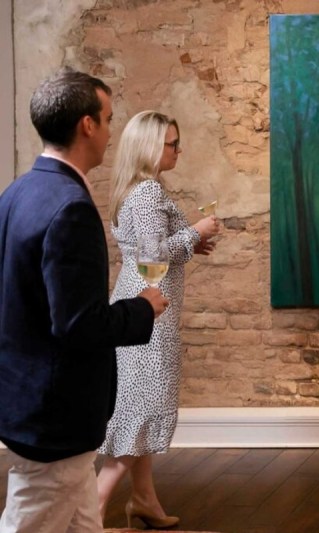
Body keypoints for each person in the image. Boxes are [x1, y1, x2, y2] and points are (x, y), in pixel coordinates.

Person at [0, 68, 168, 533]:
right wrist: (143, 308)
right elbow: (78, 325)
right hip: (55, 412)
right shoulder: (69, 206)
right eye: (109, 119)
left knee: (81, 520)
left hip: (27, 397)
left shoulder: (18, 192)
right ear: (87, 125)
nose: (113, 133)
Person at [95, 110, 220, 528]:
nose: (178, 150)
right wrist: (196, 232)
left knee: (140, 404)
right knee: (144, 404)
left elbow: (154, 246)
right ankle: (91, 512)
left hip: (145, 303)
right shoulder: (147, 192)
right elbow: (152, 257)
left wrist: (189, 243)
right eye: (172, 143)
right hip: (150, 307)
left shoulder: (144, 188)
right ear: (150, 146)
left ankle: (144, 501)